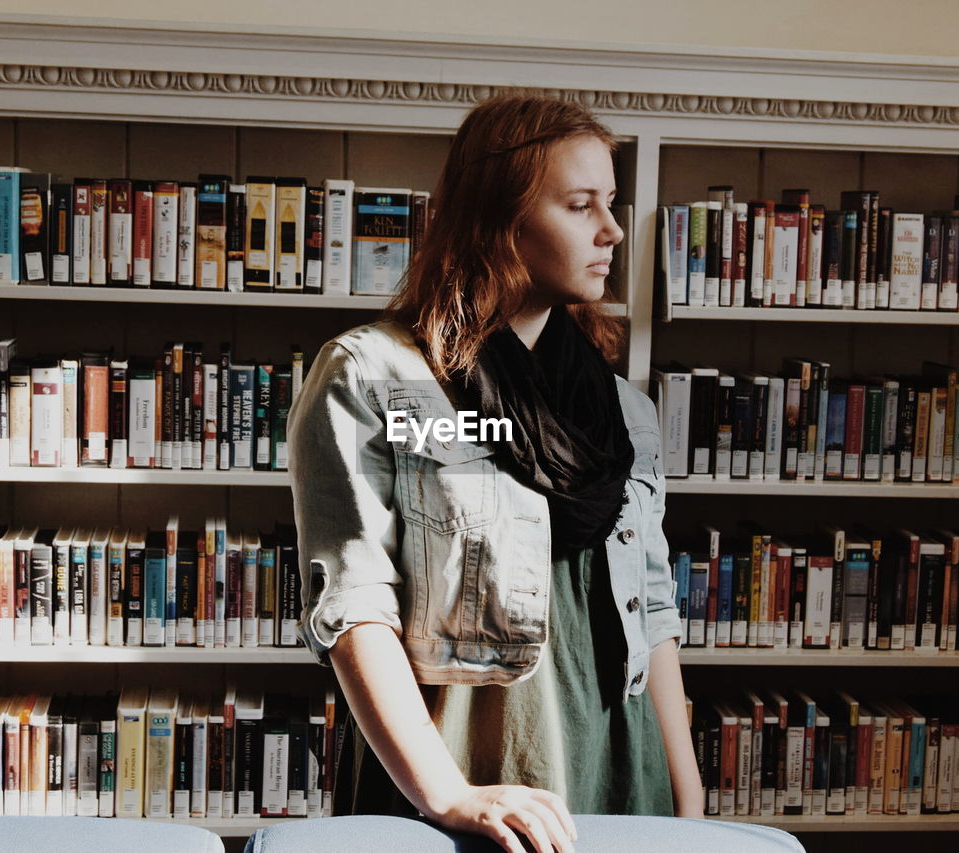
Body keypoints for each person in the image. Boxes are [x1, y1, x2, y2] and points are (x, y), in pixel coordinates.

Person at [287, 93, 702, 853]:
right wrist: (448, 792)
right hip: (467, 777)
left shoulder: (625, 409)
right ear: (500, 219)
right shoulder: (373, 376)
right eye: (580, 206)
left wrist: (688, 797)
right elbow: (354, 609)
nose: (611, 230)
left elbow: (653, 610)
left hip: (620, 766)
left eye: (610, 203)